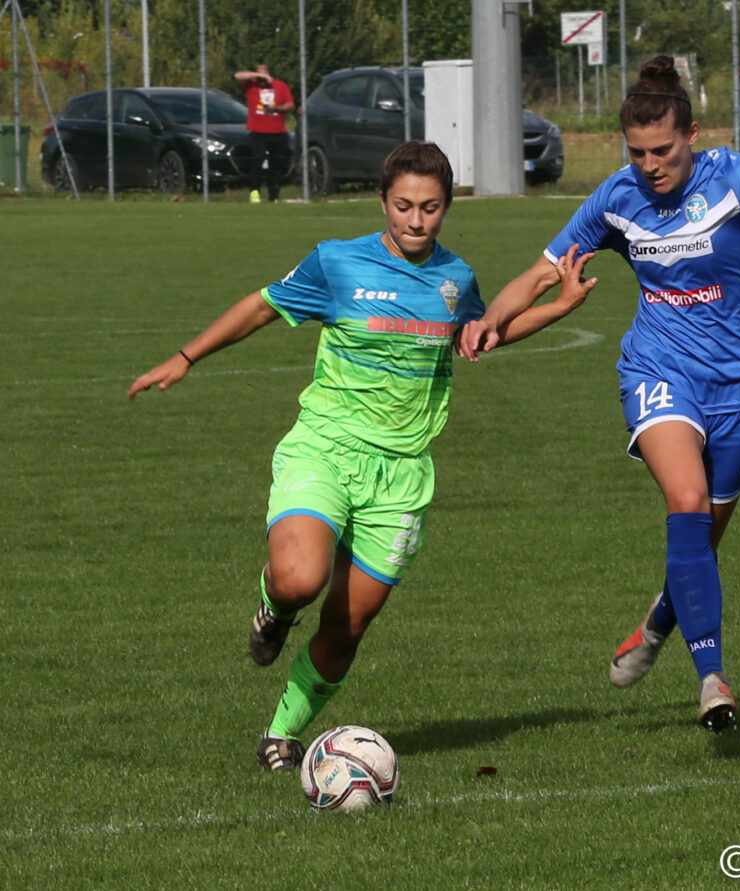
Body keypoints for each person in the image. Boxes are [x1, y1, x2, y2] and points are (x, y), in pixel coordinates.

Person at [458, 56, 740, 734]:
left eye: (662, 150)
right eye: (636, 152)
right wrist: (490, 318)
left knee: (704, 534)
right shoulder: (615, 197)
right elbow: (542, 273)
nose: (650, 165)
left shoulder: (736, 177)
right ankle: (712, 679)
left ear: (692, 132)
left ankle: (662, 618)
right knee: (686, 501)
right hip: (659, 369)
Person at [128, 142, 490, 771]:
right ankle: (273, 606)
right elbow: (263, 306)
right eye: (403, 205)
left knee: (348, 625)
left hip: (402, 475)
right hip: (324, 447)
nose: (415, 220)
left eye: (430, 208)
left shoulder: (458, 282)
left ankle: (282, 732)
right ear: (383, 203)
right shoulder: (338, 263)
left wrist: (557, 306)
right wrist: (186, 356)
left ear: (447, 208)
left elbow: (486, 333)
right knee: (300, 579)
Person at [234, 63, 295, 203]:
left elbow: (290, 105)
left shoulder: (280, 86)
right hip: (258, 132)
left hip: (277, 131)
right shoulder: (251, 85)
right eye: (259, 75)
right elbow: (238, 76)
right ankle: (254, 191)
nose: (262, 80)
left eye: (264, 75)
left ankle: (274, 195)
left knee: (275, 164)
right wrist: (257, 75)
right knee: (258, 159)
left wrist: (276, 109)